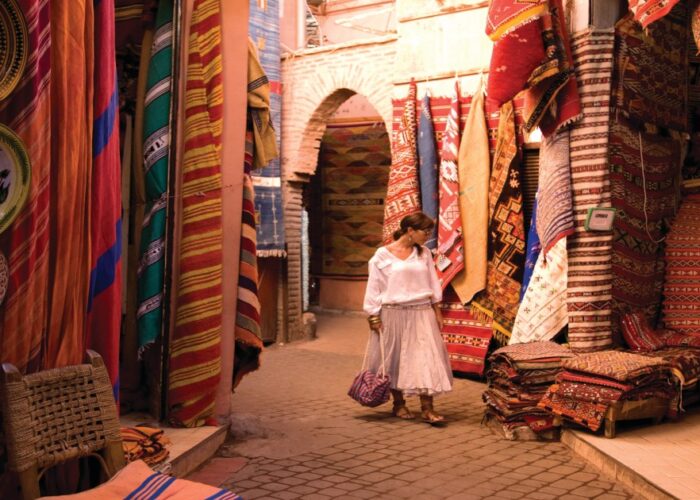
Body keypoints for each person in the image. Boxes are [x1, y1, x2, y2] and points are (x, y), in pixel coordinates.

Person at [363, 212, 453, 423]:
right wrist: (373, 315)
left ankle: (428, 408)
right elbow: (374, 287)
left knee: (426, 357)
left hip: (421, 312)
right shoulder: (381, 256)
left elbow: (433, 282)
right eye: (425, 232)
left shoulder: (424, 254)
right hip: (392, 313)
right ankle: (399, 404)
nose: (428, 236)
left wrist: (437, 310)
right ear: (410, 231)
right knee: (395, 358)